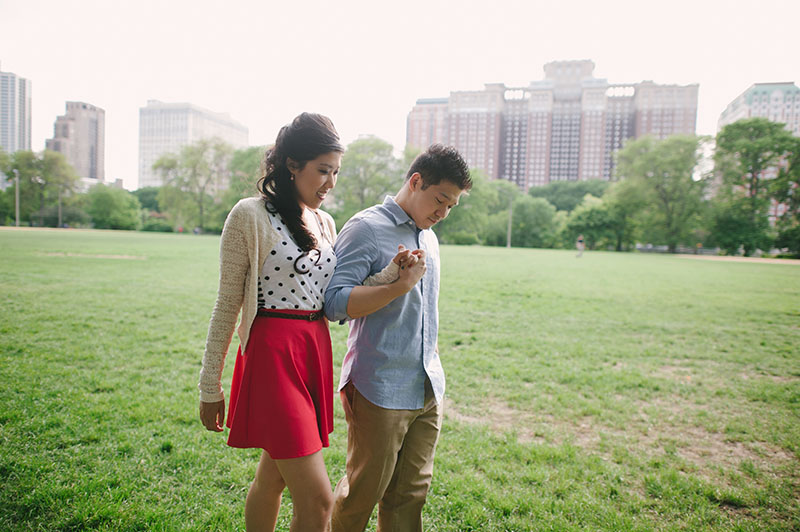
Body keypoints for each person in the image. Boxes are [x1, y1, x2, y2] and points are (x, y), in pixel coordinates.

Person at [197, 112, 345, 532]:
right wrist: (210, 385)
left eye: (335, 172)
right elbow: (227, 304)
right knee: (317, 501)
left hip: (312, 349)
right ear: (292, 165)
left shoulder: (325, 222)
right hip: (272, 355)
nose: (330, 183)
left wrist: (395, 275)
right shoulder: (249, 215)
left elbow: (335, 290)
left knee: (274, 477)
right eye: (322, 170)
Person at [324, 144, 472, 532]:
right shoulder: (366, 228)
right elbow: (334, 303)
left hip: (426, 385)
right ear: (416, 181)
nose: (443, 213)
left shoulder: (430, 238)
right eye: (440, 200)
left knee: (410, 498)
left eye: (452, 206)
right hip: (379, 386)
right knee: (361, 496)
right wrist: (396, 284)